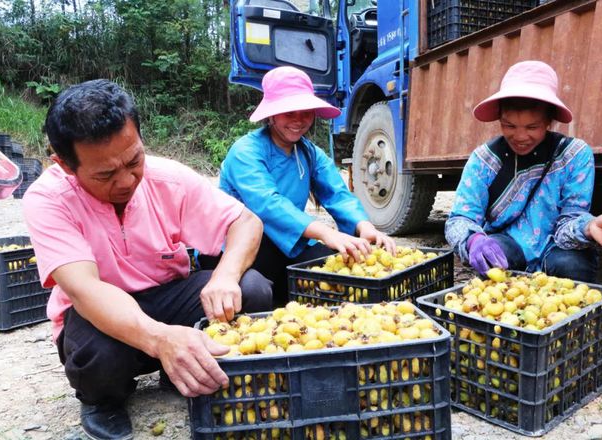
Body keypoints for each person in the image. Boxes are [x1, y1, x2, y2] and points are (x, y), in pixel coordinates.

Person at [22, 79, 273, 440]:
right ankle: (103, 400)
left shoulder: (168, 178)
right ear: (64, 164)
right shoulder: (48, 200)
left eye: (134, 159)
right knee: (98, 355)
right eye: (105, 174)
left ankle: (182, 370)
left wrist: (225, 275)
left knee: (251, 288)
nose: (126, 180)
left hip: (168, 295)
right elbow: (84, 289)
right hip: (100, 310)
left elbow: (246, 222)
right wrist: (161, 340)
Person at [220, 66, 395, 304]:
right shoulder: (245, 152)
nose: (299, 121)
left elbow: (338, 194)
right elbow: (269, 204)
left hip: (286, 242)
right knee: (257, 291)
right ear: (271, 115)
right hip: (239, 247)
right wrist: (326, 233)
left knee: (340, 263)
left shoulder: (309, 153)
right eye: (289, 112)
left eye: (306, 112)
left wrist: (365, 227)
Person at [445, 60, 602, 282]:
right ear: (499, 119)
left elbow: (569, 222)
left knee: (572, 265)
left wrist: (589, 227)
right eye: (509, 126)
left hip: (557, 246)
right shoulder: (484, 160)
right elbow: (459, 219)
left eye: (532, 127)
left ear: (549, 122)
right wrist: (473, 240)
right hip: (509, 244)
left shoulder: (574, 155)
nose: (521, 137)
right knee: (493, 256)